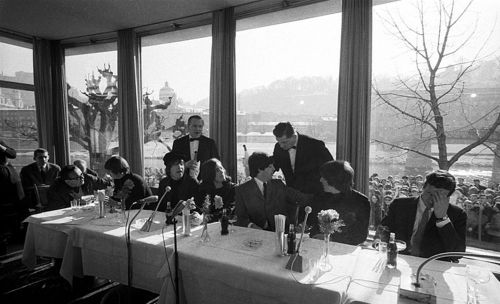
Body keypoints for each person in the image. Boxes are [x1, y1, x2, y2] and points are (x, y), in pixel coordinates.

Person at [379, 170, 467, 260]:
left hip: (432, 263)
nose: (432, 199)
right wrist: (379, 242)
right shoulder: (400, 205)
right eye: (430, 193)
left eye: (439, 196)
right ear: (423, 188)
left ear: (448, 197)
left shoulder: (457, 214)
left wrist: (442, 218)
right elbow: (384, 228)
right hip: (400, 257)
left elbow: (457, 254)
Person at [272, 122, 333, 222]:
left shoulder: (315, 145)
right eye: (279, 142)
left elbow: (330, 168)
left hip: (313, 196)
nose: (281, 146)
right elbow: (274, 165)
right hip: (292, 197)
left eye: (284, 142)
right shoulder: (278, 148)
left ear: (294, 135)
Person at [235, 152, 311, 232]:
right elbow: (241, 218)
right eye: (270, 166)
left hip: (281, 234)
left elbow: (302, 198)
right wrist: (251, 226)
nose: (274, 169)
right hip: (256, 235)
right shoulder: (242, 190)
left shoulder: (278, 185)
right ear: (260, 169)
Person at [308, 161, 370, 246]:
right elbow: (314, 225)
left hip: (346, 251)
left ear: (334, 179)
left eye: (324, 177)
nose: (320, 180)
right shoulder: (320, 197)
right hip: (319, 247)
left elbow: (360, 236)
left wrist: (331, 239)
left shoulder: (361, 201)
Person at [0, 140, 26, 254]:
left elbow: (13, 154)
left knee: (17, 204)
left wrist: (1, 147)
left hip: (7, 174)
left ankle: (14, 236)